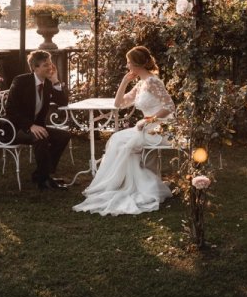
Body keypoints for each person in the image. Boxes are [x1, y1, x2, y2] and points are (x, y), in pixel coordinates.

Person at [73, 46, 174, 215]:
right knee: (118, 140)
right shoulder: (141, 83)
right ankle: (124, 183)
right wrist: (125, 82)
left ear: (136, 64)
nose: (127, 65)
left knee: (122, 141)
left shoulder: (153, 82)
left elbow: (170, 107)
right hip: (146, 125)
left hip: (159, 126)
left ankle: (138, 184)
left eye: (128, 62)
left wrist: (150, 120)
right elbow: (118, 104)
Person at [6, 50, 71, 191]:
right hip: (15, 129)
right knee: (40, 137)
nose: (50, 67)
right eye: (45, 65)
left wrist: (55, 81)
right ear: (35, 68)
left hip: (36, 128)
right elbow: (10, 111)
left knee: (63, 136)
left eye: (50, 64)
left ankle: (43, 174)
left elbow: (63, 102)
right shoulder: (21, 81)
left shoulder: (47, 83)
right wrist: (30, 126)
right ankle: (43, 180)